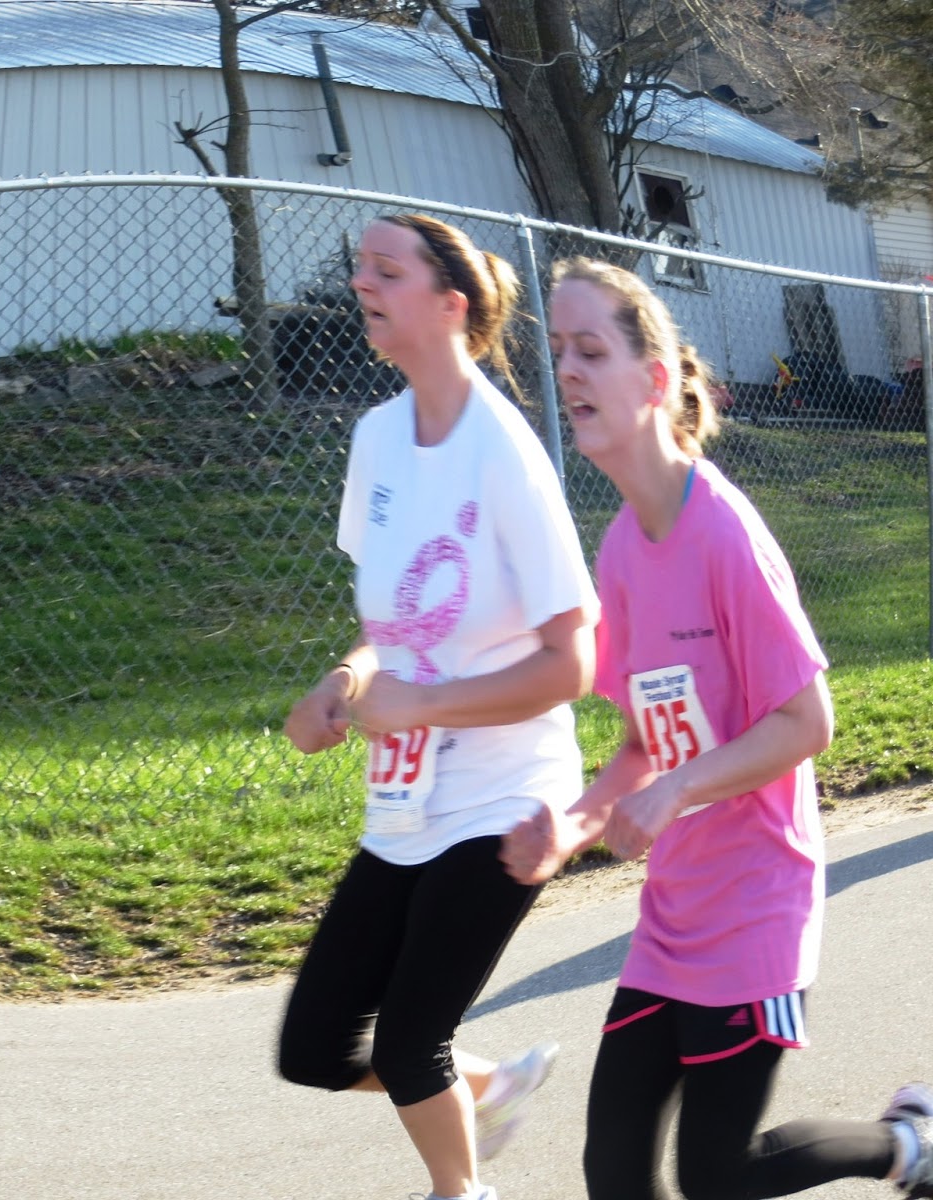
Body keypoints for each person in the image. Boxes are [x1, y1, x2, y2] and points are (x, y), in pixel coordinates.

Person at [501, 256, 933, 1200]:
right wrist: (571, 828)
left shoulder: (725, 533)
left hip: (757, 909)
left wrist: (679, 789)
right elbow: (644, 739)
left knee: (718, 1177)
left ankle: (908, 1143)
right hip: (674, 914)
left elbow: (807, 721)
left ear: (654, 382)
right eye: (558, 350)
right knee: (613, 1174)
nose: (566, 370)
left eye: (590, 349)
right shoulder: (620, 546)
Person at [278, 213, 598, 1200]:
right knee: (316, 1049)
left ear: (450, 305)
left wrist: (425, 705)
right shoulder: (377, 437)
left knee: (414, 1040)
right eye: (358, 264)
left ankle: (461, 1191)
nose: (361, 280)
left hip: (508, 794)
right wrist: (347, 682)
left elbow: (570, 662)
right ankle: (487, 1086)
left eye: (386, 268)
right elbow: (396, 625)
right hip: (406, 800)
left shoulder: (504, 453)